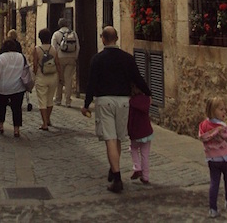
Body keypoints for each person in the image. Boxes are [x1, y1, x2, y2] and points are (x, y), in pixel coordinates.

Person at [81, 26, 151, 194]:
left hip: (104, 101)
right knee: (118, 138)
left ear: (103, 39)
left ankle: (117, 177)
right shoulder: (127, 58)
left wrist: (86, 104)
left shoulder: (97, 59)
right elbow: (137, 78)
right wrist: (148, 93)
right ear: (117, 38)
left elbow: (91, 83)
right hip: (123, 102)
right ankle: (114, 170)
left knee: (110, 139)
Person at [199, 96, 227, 218]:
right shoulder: (222, 128)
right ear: (213, 111)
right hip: (224, 159)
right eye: (221, 109)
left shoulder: (204, 125)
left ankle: (212, 209)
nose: (224, 112)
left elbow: (201, 137)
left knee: (214, 183)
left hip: (211, 159)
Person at [0, 39, 26, 137]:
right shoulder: (21, 57)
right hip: (18, 87)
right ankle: (16, 130)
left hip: (4, 88)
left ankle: (0, 126)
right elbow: (25, 71)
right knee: (17, 109)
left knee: (1, 107)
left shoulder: (0, 58)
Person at [33, 28, 62, 131]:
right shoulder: (53, 49)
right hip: (53, 76)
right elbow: (58, 63)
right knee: (50, 100)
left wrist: (35, 75)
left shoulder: (37, 49)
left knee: (42, 100)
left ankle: (44, 123)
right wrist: (60, 76)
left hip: (41, 76)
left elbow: (35, 65)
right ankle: (48, 119)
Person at [52, 18, 80, 107]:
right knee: (68, 79)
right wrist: (75, 56)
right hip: (71, 58)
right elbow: (78, 47)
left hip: (60, 58)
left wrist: (55, 59)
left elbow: (54, 48)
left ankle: (58, 99)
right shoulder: (73, 33)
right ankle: (68, 101)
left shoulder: (56, 34)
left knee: (59, 79)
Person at [128, 86, 153, 184]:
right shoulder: (147, 100)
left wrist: (129, 131)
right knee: (145, 155)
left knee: (133, 149)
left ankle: (137, 167)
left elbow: (130, 119)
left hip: (136, 132)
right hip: (147, 132)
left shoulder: (131, 102)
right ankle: (146, 177)